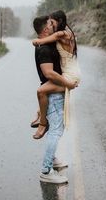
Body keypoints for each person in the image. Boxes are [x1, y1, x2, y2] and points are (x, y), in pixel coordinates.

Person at [33, 15, 77, 183]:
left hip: (55, 92)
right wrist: (68, 83)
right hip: (54, 94)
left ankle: (52, 159)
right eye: (50, 25)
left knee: (56, 129)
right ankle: (46, 170)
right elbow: (48, 73)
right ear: (45, 29)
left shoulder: (48, 43)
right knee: (56, 131)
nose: (53, 26)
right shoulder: (44, 49)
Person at [31, 10, 81, 139]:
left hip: (71, 75)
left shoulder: (63, 34)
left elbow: (48, 38)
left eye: (52, 23)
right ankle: (40, 114)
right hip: (67, 73)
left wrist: (37, 41)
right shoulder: (61, 34)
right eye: (49, 24)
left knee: (41, 91)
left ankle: (43, 123)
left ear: (58, 22)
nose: (51, 25)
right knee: (45, 89)